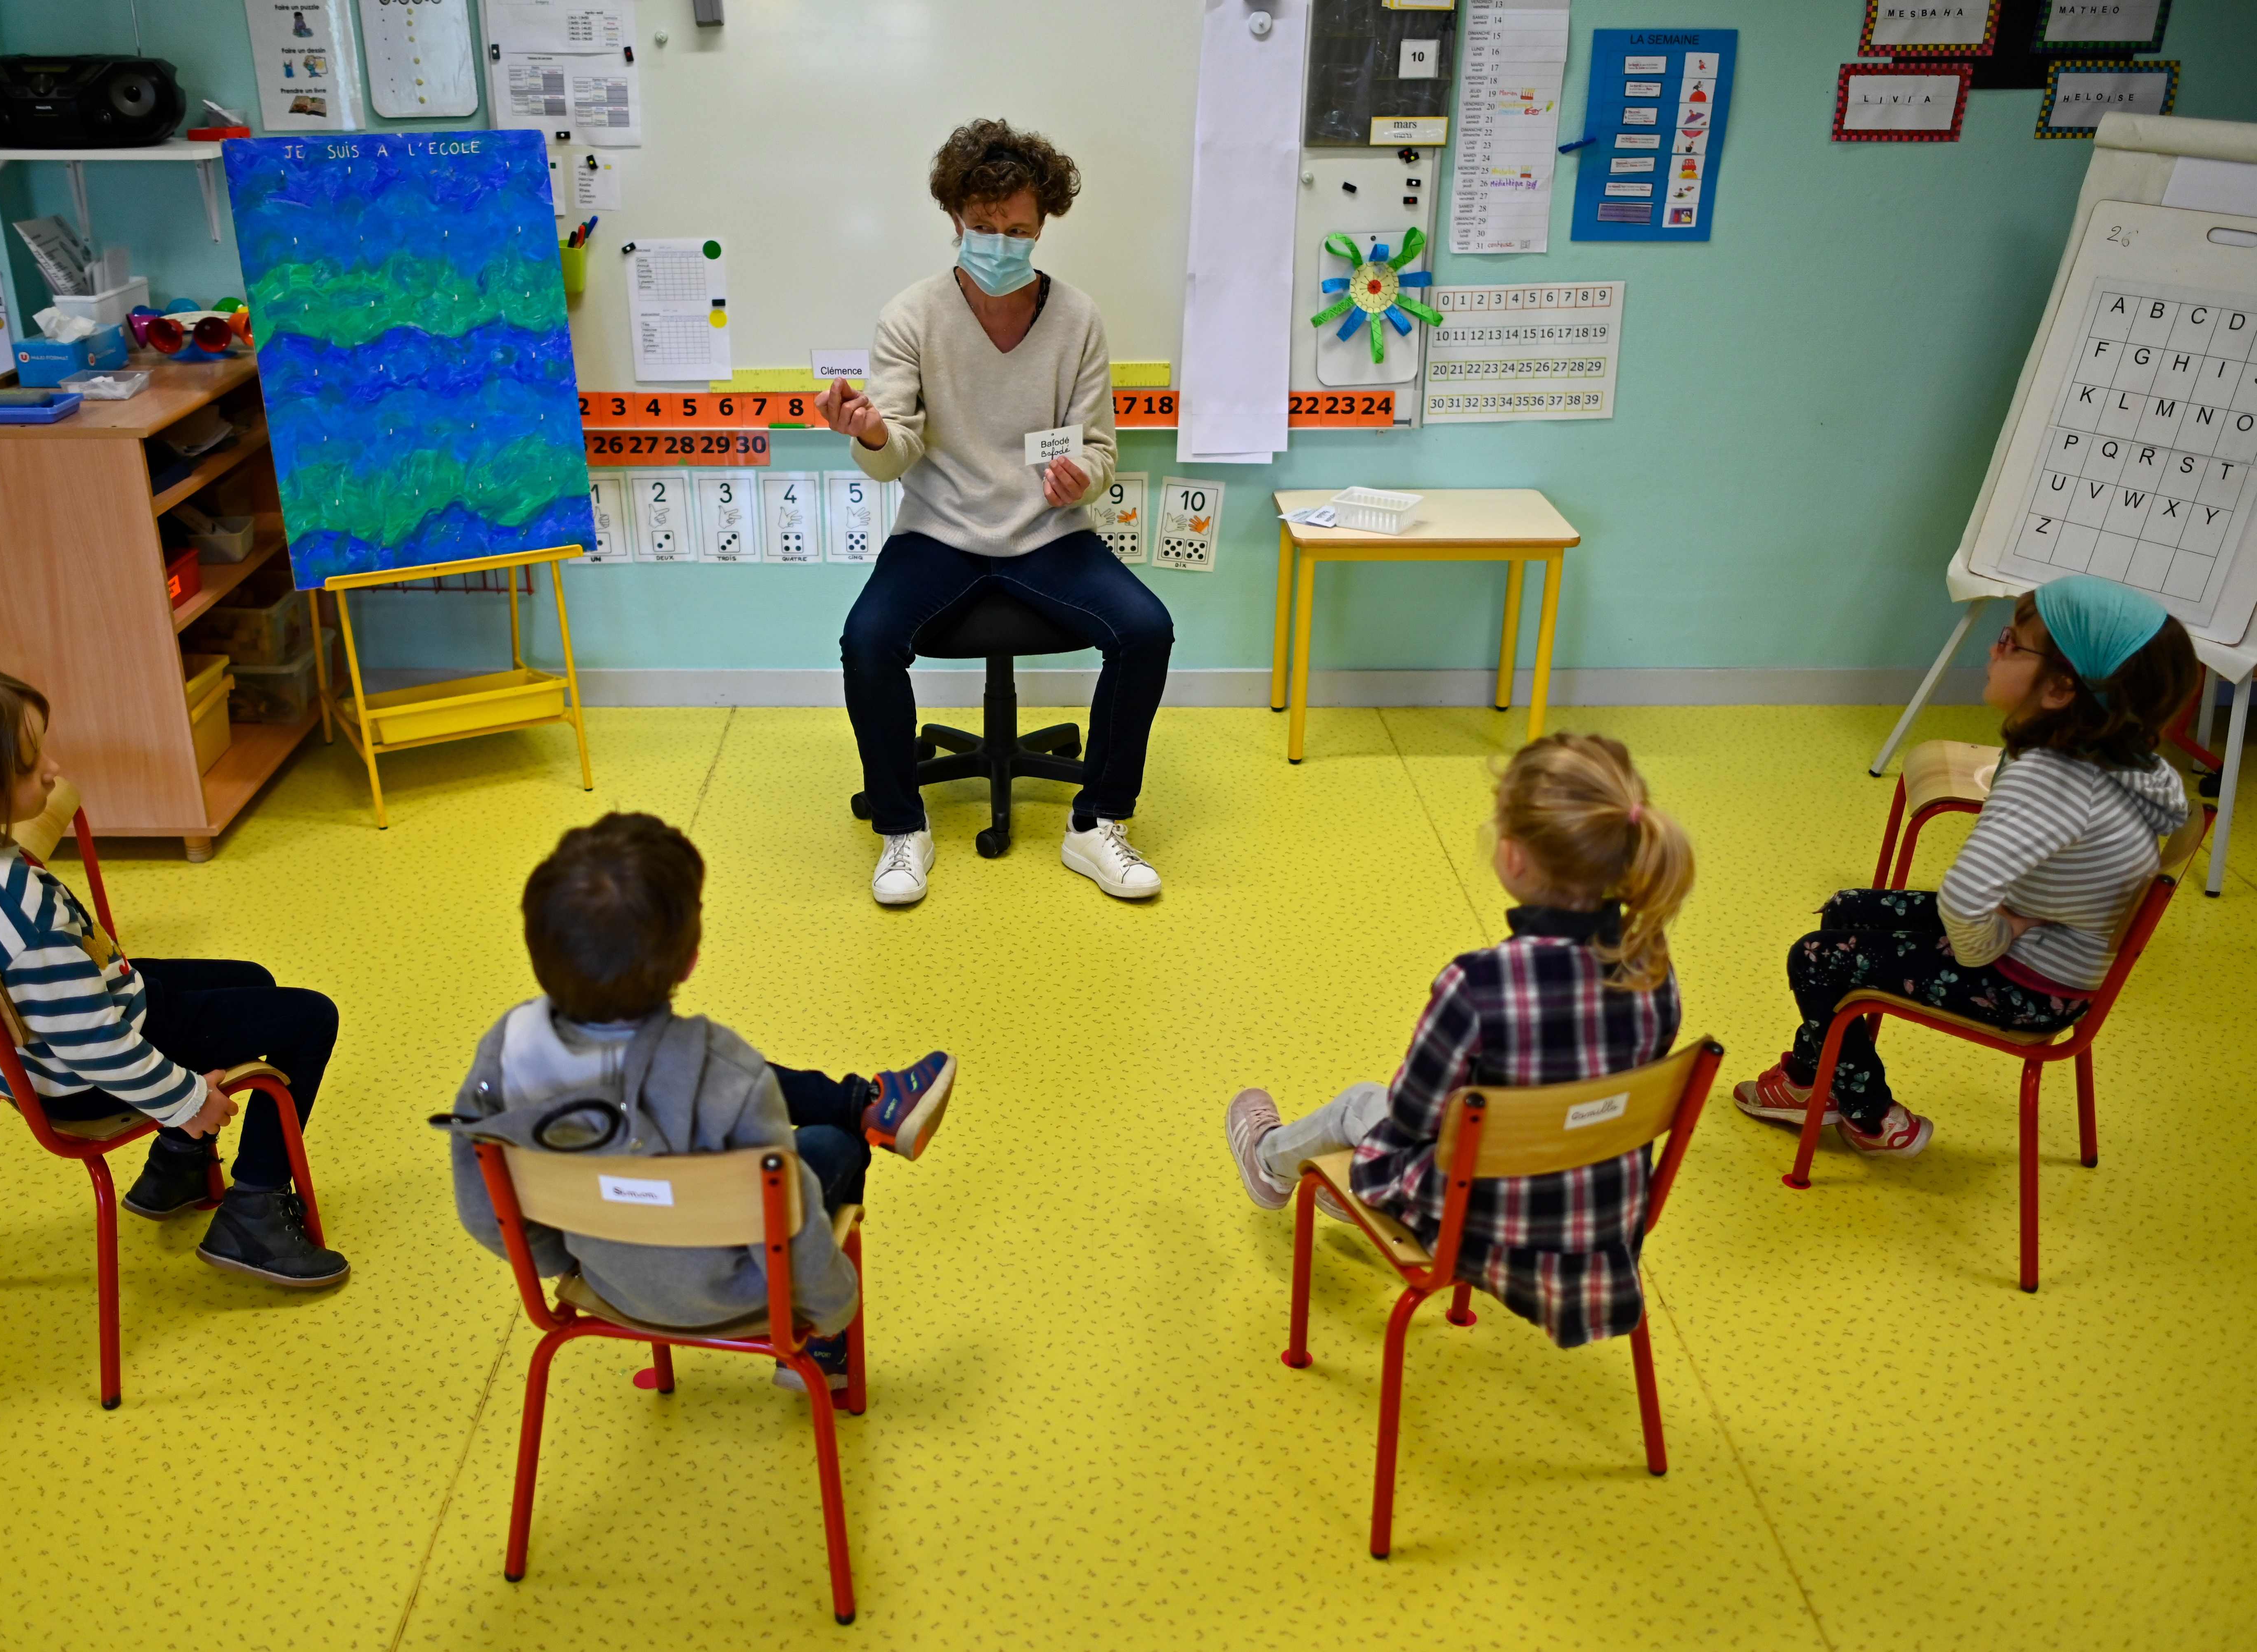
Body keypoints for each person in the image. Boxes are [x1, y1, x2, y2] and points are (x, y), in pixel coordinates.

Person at [0, 660, 346, 1286]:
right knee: (310, 1017)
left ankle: (178, 1167)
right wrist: (186, 1101)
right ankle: (254, 1212)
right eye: (29, 766)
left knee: (252, 978)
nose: (52, 769)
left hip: (15, 1056)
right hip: (79, 1074)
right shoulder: (22, 920)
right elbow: (96, 1047)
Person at [442, 812, 956, 1391]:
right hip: (746, 1296)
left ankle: (865, 1105)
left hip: (611, 1284)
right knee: (833, 1146)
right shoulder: (728, 1072)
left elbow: (484, 1212)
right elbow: (790, 1227)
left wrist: (570, 1260)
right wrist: (833, 1307)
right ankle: (819, 1357)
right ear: (691, 959)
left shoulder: (503, 1055)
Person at [1223, 734, 1694, 1349]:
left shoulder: (1479, 984)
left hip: (1477, 1229)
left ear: (1514, 858)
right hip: (1602, 1232)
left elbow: (1415, 1117)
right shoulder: (1653, 969)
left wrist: (1378, 1169)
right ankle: (1314, 1171)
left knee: (1360, 1105)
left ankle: (1268, 1160)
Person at [821, 117, 1172, 907]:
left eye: (1018, 230)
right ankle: (903, 829)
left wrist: (1079, 478)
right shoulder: (910, 316)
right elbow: (893, 452)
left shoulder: (1079, 318)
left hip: (1048, 535)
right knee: (865, 642)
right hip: (938, 534)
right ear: (955, 220)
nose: (1000, 244)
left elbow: (1101, 453)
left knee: (1146, 630)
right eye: (983, 228)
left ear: (1043, 225)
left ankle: (1097, 825)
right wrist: (874, 433)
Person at [1735, 575, 2196, 1156]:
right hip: (2060, 957)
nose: (1994, 649)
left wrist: (1995, 938)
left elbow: (1964, 904)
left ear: (2058, 689)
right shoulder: (2134, 762)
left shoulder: (2048, 780)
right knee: (1847, 909)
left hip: (2030, 984)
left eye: (2010, 643)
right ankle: (1811, 1081)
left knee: (1814, 959)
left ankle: (1873, 1117)